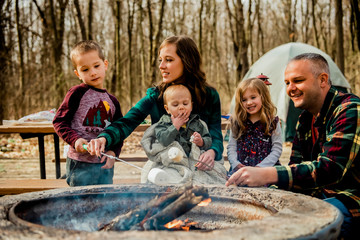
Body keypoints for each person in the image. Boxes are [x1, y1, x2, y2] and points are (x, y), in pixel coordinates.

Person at [226, 53, 360, 238]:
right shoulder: (305, 119)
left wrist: (266, 173)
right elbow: (296, 169)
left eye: (298, 80)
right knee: (258, 210)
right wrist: (263, 194)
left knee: (299, 226)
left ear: (323, 79)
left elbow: (329, 169)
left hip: (348, 197)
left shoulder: (349, 109)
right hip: (315, 194)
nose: (291, 88)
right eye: (287, 83)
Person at [87, 35, 224, 173]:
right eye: (161, 60)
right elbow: (127, 121)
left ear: (187, 61)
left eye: (168, 60)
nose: (161, 66)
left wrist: (212, 152)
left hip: (202, 165)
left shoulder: (209, 95)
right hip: (167, 166)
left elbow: (216, 135)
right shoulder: (156, 96)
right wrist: (104, 138)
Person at [53, 40, 123, 186]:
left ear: (105, 64)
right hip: (79, 163)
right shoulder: (76, 93)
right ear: (77, 73)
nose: (93, 72)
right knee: (79, 204)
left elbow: (118, 131)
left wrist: (113, 153)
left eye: (96, 66)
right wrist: (75, 140)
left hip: (104, 163)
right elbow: (59, 122)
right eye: (85, 70)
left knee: (103, 203)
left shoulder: (112, 101)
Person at [140, 84, 226, 185]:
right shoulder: (163, 124)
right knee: (165, 177)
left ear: (191, 105)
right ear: (167, 109)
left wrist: (201, 141)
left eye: (185, 104)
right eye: (175, 105)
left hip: (194, 161)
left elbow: (208, 140)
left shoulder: (198, 123)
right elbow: (163, 140)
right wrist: (175, 127)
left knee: (217, 174)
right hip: (173, 162)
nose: (181, 107)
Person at [227, 78, 282, 178]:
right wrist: (235, 164)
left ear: (263, 97)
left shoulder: (272, 122)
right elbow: (231, 147)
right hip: (241, 171)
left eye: (253, 97)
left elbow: (277, 149)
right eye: (244, 100)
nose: (249, 102)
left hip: (265, 172)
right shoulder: (237, 122)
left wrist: (260, 168)